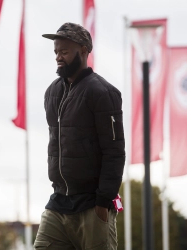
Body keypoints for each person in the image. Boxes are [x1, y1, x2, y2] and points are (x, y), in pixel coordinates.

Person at [34, 22, 125, 250]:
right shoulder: (51, 93)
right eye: (56, 51)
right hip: (59, 202)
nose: (58, 57)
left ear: (83, 51)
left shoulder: (103, 93)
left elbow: (114, 152)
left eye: (64, 51)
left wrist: (104, 202)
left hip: (92, 205)